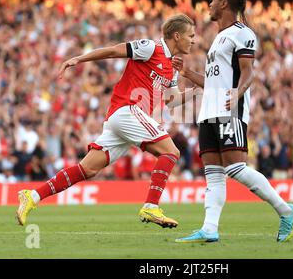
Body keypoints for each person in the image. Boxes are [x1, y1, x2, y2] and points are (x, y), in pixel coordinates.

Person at [16, 13, 197, 228]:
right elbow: (113, 50)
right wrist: (79, 59)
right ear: (176, 36)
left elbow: (173, 101)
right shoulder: (151, 47)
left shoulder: (171, 67)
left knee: (88, 169)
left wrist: (198, 88)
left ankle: (33, 196)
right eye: (190, 35)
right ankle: (151, 206)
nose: (193, 40)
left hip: (123, 120)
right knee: (171, 151)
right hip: (127, 110)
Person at [173, 0, 293, 243]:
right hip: (208, 111)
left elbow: (248, 71)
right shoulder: (219, 38)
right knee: (213, 173)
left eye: (212, 0)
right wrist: (187, 74)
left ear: (224, 4)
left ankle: (286, 210)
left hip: (229, 109)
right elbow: (212, 82)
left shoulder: (243, 33)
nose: (208, 5)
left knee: (236, 168)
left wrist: (238, 93)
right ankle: (209, 228)